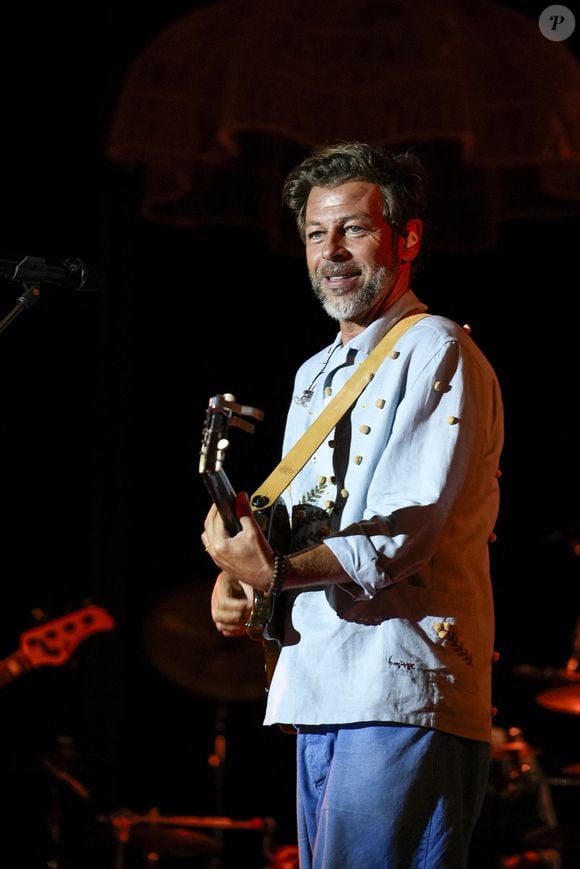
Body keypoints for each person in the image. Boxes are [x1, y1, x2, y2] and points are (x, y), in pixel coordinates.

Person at [201, 141, 504, 869]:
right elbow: (304, 524)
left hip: (398, 684)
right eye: (315, 232)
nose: (331, 250)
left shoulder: (437, 347)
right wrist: (239, 579)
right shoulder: (315, 373)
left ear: (408, 238)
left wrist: (275, 572)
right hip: (321, 686)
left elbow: (404, 529)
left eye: (354, 229)